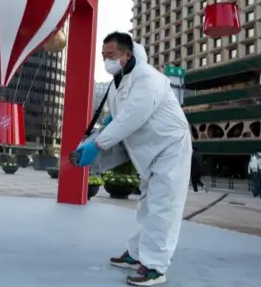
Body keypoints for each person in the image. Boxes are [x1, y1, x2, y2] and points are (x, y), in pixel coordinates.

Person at [74, 32, 192, 286]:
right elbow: (118, 115)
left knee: (164, 207)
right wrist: (104, 125)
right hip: (150, 151)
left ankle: (155, 267)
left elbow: (132, 117)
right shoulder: (120, 80)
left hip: (171, 146)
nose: (106, 60)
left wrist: (98, 143)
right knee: (147, 204)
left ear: (127, 55)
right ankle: (138, 253)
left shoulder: (148, 78)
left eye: (111, 55)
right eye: (103, 55)